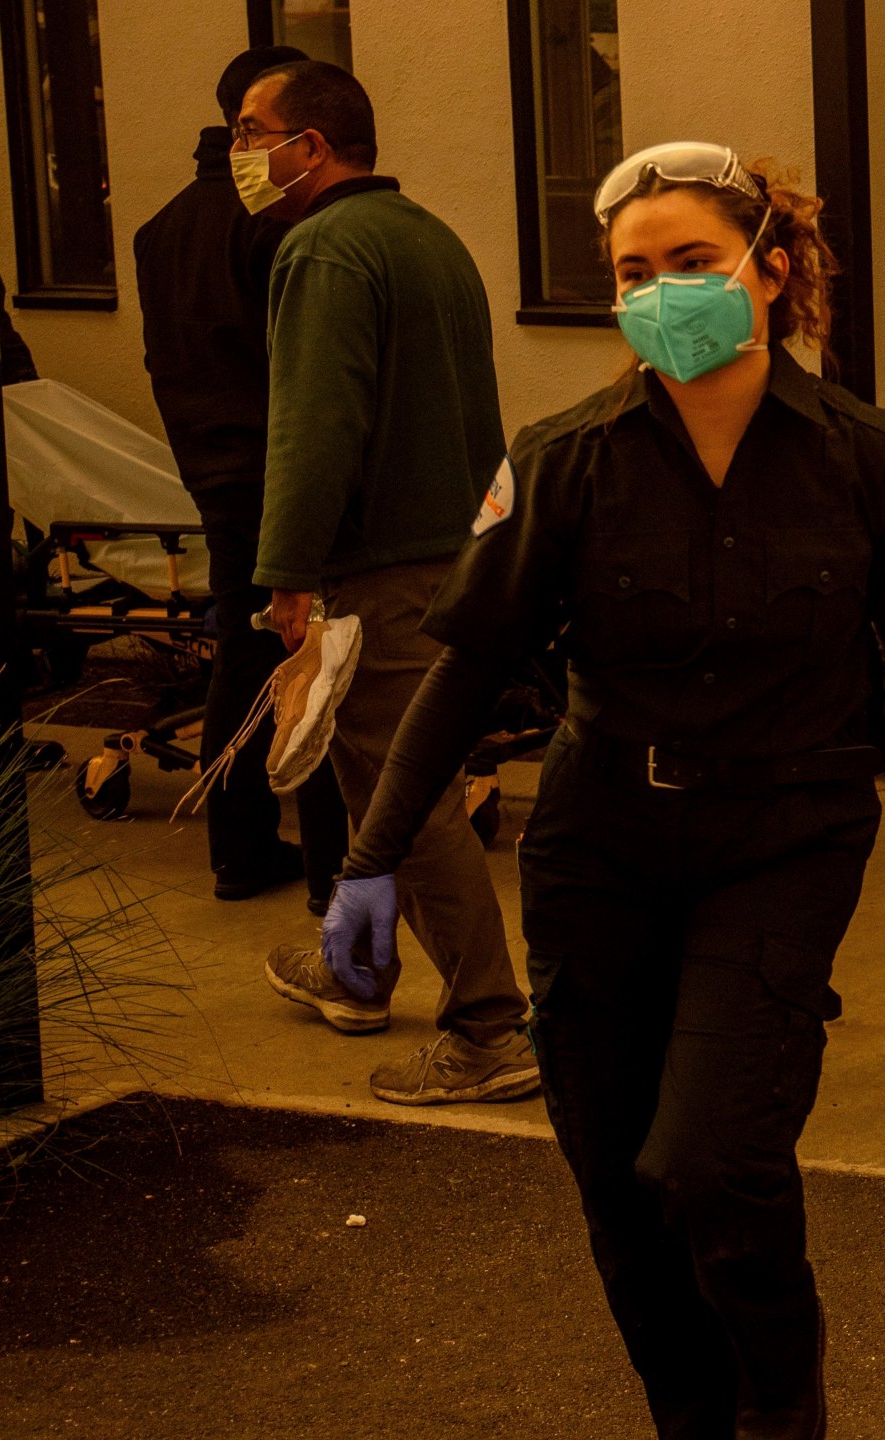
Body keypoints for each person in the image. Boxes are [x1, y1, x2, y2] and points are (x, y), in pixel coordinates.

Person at [317, 142, 885, 1437]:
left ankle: (784, 1418)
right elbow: (464, 673)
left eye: (690, 263)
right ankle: (691, 1420)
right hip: (598, 844)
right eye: (634, 273)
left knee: (712, 1162)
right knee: (620, 1187)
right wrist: (371, 858)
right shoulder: (562, 459)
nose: (659, 293)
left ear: (769, 271)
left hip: (786, 835)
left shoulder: (864, 452)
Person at [235, 60, 535, 1106]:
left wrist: (285, 573)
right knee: (381, 787)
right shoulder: (430, 239)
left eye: (250, 131)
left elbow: (314, 426)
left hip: (381, 571)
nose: (242, 154)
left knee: (412, 799)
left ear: (309, 146)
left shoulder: (322, 249)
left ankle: (491, 1027)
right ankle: (355, 965)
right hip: (455, 549)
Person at [131, 43, 352, 908]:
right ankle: (333, 870)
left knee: (244, 653)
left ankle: (239, 848)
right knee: (322, 657)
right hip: (282, 466)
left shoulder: (163, 228)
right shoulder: (277, 225)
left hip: (210, 467)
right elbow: (305, 366)